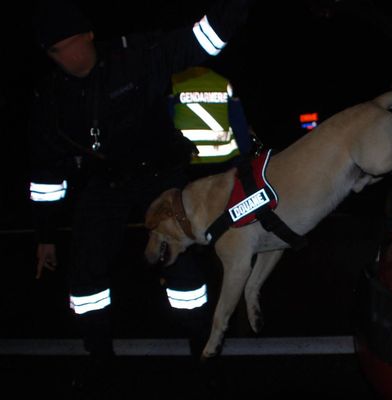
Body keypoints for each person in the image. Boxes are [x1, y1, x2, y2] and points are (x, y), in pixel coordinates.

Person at [28, 0, 254, 395]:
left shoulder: (134, 57)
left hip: (158, 177)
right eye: (55, 51)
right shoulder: (52, 97)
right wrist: (45, 235)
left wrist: (234, 8)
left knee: (184, 274)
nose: (66, 57)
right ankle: (99, 361)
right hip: (104, 185)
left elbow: (201, 40)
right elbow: (46, 175)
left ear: (88, 35)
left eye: (69, 44)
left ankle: (204, 357)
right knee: (84, 280)